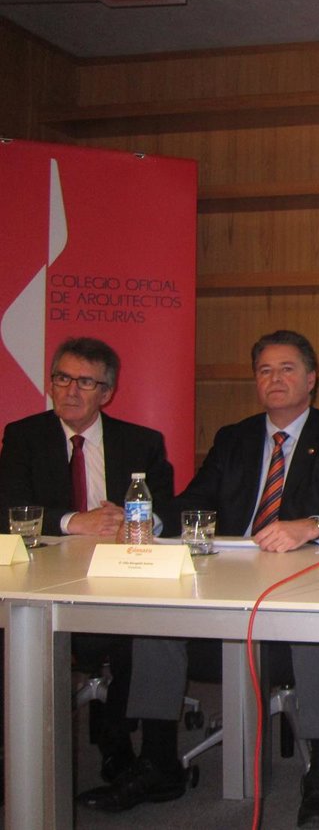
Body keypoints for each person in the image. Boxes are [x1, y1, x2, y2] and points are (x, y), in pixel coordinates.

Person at [78, 330, 319, 827]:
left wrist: (311, 525)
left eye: (287, 369)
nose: (274, 379)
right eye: (264, 370)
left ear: (311, 379)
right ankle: (158, 762)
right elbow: (196, 499)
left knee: (318, 628)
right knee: (158, 612)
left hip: (304, 576)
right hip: (231, 573)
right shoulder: (234, 438)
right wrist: (150, 521)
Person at [0, 336, 175, 786]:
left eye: (84, 382)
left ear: (107, 393)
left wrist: (138, 520)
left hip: (117, 580)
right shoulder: (24, 436)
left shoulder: (141, 442)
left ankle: (118, 743)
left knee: (142, 632)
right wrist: (74, 521)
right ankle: (14, 754)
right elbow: (8, 509)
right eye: (62, 379)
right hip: (42, 578)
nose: (70, 391)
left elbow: (170, 512)